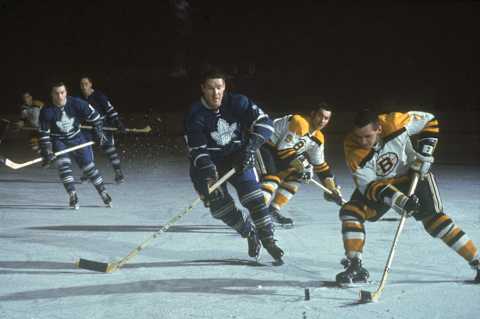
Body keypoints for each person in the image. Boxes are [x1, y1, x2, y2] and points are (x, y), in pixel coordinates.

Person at [336, 109, 479, 285]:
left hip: (413, 176)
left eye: (367, 136)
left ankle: (477, 261)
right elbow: (370, 187)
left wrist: (425, 152)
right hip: (380, 185)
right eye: (358, 137)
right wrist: (401, 201)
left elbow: (430, 121)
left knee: (435, 222)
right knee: (351, 212)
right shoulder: (352, 147)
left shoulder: (396, 122)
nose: (362, 141)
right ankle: (355, 265)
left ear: (379, 129)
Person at [184, 67, 284, 263]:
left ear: (225, 87)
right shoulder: (194, 114)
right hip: (207, 166)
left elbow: (265, 123)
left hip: (237, 158)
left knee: (255, 198)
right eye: (211, 88)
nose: (216, 93)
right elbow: (197, 150)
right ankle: (249, 233)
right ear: (202, 88)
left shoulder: (237, 102)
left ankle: (269, 239)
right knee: (220, 209)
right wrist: (209, 172)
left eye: (219, 87)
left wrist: (251, 148)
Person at [259, 103, 343, 227]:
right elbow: (284, 149)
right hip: (264, 146)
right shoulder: (300, 122)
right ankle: (258, 215)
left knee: (296, 177)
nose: (323, 121)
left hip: (278, 153)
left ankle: (272, 210)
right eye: (320, 116)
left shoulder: (319, 137)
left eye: (326, 118)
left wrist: (332, 188)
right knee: (273, 179)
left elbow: (321, 166)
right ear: (313, 114)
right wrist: (306, 166)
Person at [39, 82, 112, 209]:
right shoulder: (46, 111)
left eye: (62, 92)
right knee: (64, 167)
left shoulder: (76, 103)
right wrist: (47, 151)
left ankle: (103, 193)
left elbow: (96, 117)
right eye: (56, 93)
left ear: (66, 92)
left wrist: (99, 133)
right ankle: (73, 195)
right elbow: (44, 135)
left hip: (77, 138)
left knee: (89, 167)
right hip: (59, 141)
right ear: (52, 95)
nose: (60, 96)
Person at [79, 77, 126, 183]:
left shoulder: (99, 96)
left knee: (110, 150)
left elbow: (110, 109)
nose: (83, 86)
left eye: (86, 83)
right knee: (84, 150)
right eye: (81, 84)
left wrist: (118, 123)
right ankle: (88, 172)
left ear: (91, 84)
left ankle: (118, 173)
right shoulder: (80, 98)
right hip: (87, 127)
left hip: (103, 126)